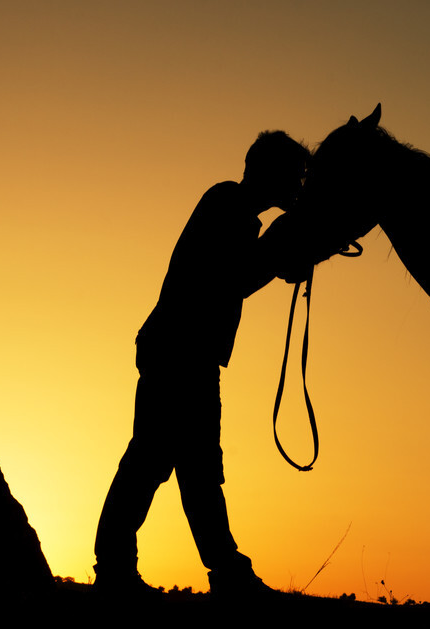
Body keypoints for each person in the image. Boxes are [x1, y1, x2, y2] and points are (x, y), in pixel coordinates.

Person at [94, 131, 310, 599]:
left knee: (185, 466)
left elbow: (238, 274)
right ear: (271, 174)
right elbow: (233, 277)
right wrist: (279, 251)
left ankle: (209, 570)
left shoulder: (232, 208)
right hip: (181, 352)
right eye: (294, 176)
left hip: (183, 351)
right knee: (162, 462)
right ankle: (129, 567)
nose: (299, 185)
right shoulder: (228, 205)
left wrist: (276, 254)